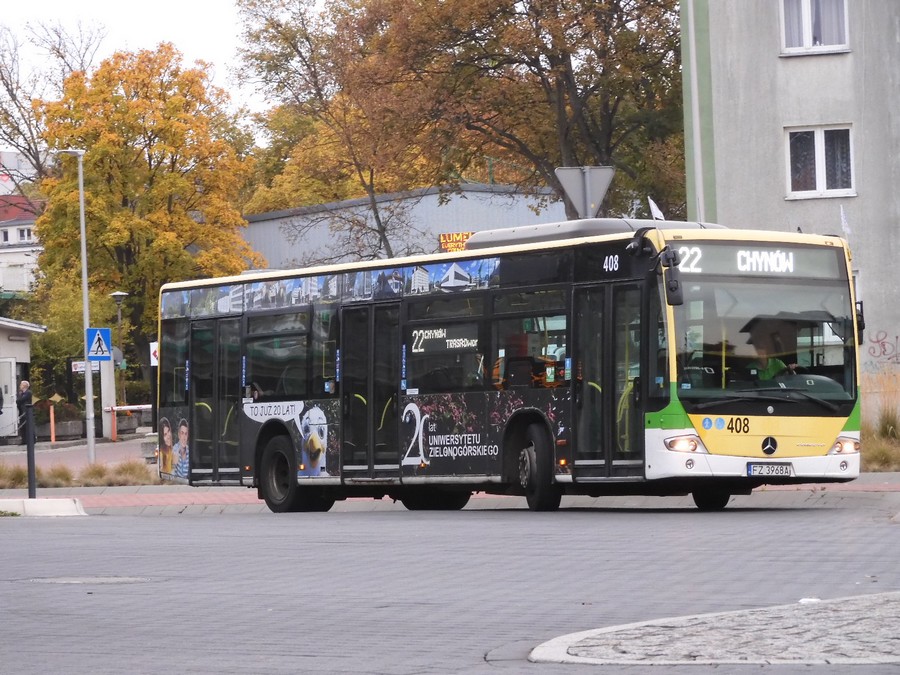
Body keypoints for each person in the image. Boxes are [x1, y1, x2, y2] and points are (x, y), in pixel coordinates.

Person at [15, 380, 33, 445]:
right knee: (22, 426)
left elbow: (22, 400)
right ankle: (24, 440)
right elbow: (17, 401)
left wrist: (19, 400)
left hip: (26, 412)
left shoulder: (28, 393)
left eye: (21, 385)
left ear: (24, 386)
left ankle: (31, 440)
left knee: (28, 426)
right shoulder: (21, 393)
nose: (20, 386)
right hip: (21, 411)